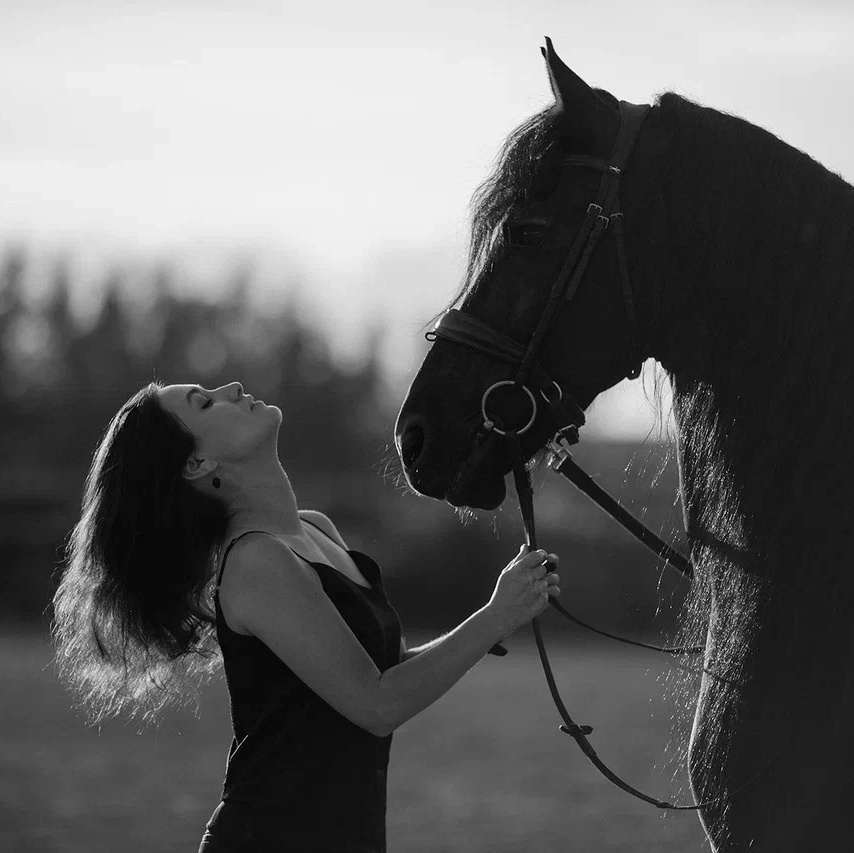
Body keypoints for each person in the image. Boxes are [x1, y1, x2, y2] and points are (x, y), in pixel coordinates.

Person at [50, 380, 561, 852]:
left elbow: (382, 671)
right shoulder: (255, 560)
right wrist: (494, 617)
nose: (229, 388)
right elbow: (377, 704)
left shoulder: (314, 530)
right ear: (197, 464)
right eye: (205, 403)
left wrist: (501, 612)